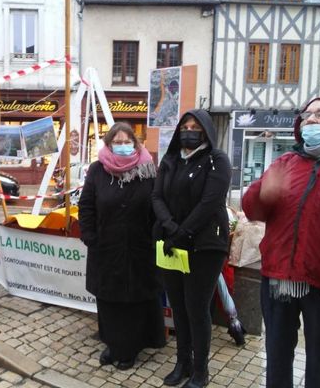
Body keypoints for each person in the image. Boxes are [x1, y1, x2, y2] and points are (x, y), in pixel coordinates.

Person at [242, 97, 320, 388]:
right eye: (307, 115)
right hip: (277, 279)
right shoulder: (285, 162)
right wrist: (261, 194)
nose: (311, 119)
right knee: (277, 355)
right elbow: (252, 210)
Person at [152, 109, 231, 388]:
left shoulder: (216, 160)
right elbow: (157, 196)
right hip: (172, 244)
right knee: (179, 307)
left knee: (197, 308)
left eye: (195, 126)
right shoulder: (170, 159)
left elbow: (210, 203)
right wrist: (170, 227)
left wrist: (182, 232)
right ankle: (182, 363)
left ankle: (201, 371)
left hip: (205, 246)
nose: (189, 130)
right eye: (185, 125)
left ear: (206, 129)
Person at [78, 122, 164, 370]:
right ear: (108, 144)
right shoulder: (97, 170)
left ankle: (130, 349)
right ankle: (112, 344)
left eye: (128, 142)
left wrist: (154, 236)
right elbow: (86, 206)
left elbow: (156, 207)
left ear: (136, 144)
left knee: (134, 300)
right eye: (118, 142)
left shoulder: (147, 170)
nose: (123, 146)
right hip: (105, 247)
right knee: (108, 300)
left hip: (139, 248)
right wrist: (89, 235)